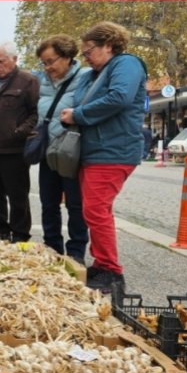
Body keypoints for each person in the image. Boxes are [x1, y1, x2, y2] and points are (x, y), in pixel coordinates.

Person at [59, 21, 148, 293]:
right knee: (94, 210)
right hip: (95, 151)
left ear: (108, 45)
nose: (86, 57)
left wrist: (78, 115)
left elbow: (119, 97)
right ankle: (101, 264)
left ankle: (111, 272)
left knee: (96, 210)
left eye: (89, 51)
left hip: (113, 150)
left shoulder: (127, 64)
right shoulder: (96, 73)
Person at [0, 41, 40, 242]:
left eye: (1, 62)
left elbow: (36, 113)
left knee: (17, 195)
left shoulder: (28, 81)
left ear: (14, 59)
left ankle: (20, 235)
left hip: (14, 150)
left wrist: (19, 132)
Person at [34, 35, 88, 264]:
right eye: (44, 63)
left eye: (51, 61)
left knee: (75, 204)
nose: (48, 67)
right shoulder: (41, 81)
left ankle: (76, 252)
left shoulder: (86, 77)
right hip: (48, 150)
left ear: (67, 56)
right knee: (48, 203)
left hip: (71, 150)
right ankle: (52, 248)